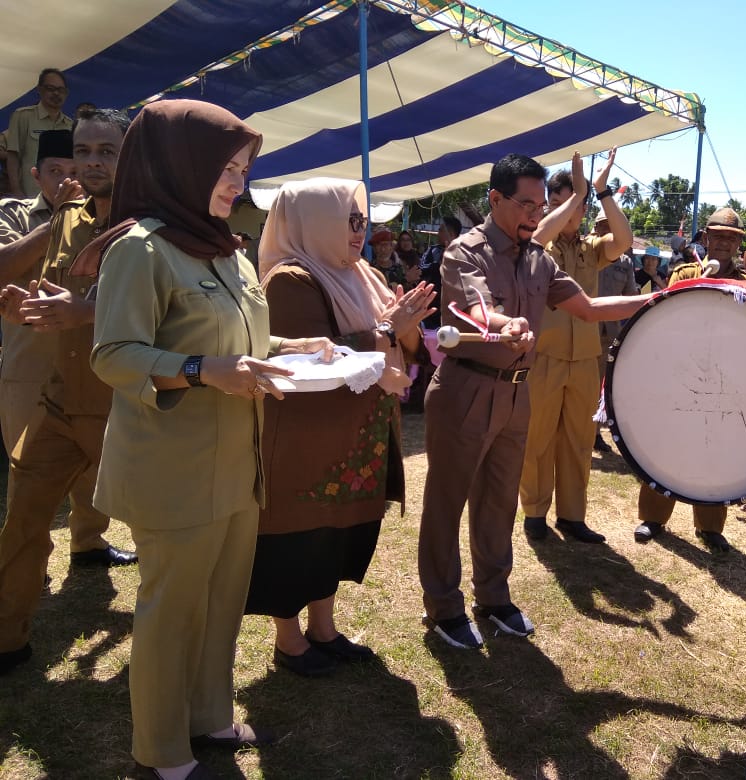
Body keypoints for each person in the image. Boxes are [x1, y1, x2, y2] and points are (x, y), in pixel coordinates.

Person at [89, 99, 335, 780]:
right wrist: (199, 372)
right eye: (227, 170)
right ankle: (162, 750)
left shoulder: (227, 251)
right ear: (182, 166)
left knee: (222, 601)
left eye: (243, 170)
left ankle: (209, 716)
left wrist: (297, 346)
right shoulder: (141, 250)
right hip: (173, 469)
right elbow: (113, 356)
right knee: (171, 612)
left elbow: (238, 344)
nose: (239, 185)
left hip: (238, 465)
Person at [417, 152, 651, 650]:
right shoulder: (466, 251)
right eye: (526, 205)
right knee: (447, 502)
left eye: (540, 205)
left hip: (518, 391)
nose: (534, 214)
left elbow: (587, 308)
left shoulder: (538, 258)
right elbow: (476, 308)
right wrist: (507, 325)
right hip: (466, 389)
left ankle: (493, 596)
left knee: (500, 500)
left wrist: (651, 301)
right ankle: (443, 606)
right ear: (495, 199)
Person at [245, 178, 435, 677]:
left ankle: (323, 629)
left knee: (338, 531)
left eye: (362, 220)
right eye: (348, 220)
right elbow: (314, 356)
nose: (360, 231)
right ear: (313, 221)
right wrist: (390, 328)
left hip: (359, 431)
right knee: (299, 534)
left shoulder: (362, 274)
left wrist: (405, 329)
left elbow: (403, 346)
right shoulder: (289, 279)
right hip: (308, 437)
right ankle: (289, 641)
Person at [0, 110, 139, 679]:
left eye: (107, 151)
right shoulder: (65, 220)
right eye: (84, 151)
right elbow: (51, 295)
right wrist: (27, 309)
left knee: (159, 533)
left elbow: (165, 317)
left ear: (129, 156)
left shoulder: (152, 227)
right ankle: (7, 639)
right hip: (58, 406)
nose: (91, 163)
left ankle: (171, 650)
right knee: (23, 523)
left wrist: (83, 312)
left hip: (127, 411)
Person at [0, 130, 113, 563]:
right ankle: (30, 560)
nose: (70, 178)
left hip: (84, 362)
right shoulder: (13, 214)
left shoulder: (102, 219)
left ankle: (89, 540)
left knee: (91, 465)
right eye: (56, 171)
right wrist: (56, 223)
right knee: (28, 471)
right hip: (29, 364)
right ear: (35, 174)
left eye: (75, 169)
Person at [519, 148, 632, 544]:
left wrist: (600, 192)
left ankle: (572, 516)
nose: (568, 213)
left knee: (579, 441)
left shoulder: (590, 249)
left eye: (574, 205)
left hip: (585, 359)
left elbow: (625, 238)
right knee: (538, 438)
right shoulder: (537, 247)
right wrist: (572, 199)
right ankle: (534, 511)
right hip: (544, 357)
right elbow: (537, 238)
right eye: (556, 203)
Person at [633, 206, 746, 556]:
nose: (723, 243)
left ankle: (710, 527)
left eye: (731, 239)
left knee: (714, 451)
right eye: (718, 236)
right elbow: (669, 314)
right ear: (705, 239)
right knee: (668, 443)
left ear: (737, 245)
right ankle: (654, 519)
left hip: (724, 378)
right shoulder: (684, 273)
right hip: (682, 371)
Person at [594, 209, 639, 453]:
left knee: (602, 385)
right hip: (581, 329)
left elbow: (630, 296)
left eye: (614, 226)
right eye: (605, 225)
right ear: (597, 228)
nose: (610, 230)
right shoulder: (586, 254)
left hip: (609, 333)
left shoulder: (625, 262)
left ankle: (594, 434)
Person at [5, 68, 74, 198]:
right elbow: (13, 157)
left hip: (62, 196)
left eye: (60, 90)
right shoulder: (23, 116)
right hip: (30, 195)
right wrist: (16, 191)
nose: (56, 94)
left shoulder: (69, 124)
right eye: (50, 88)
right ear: (40, 90)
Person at [418, 216, 462, 330]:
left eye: (441, 230)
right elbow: (421, 268)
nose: (438, 233)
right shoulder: (433, 250)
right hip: (433, 300)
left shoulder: (462, 252)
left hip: (453, 301)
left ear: (451, 234)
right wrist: (438, 264)